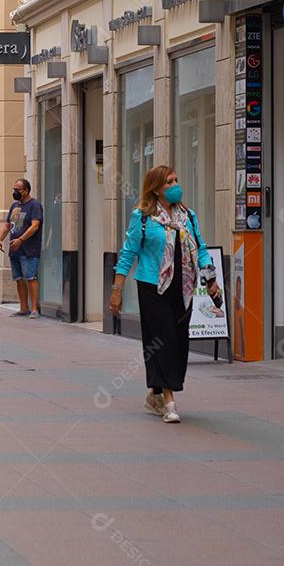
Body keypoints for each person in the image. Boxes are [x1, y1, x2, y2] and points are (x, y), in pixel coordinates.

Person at [109, 165, 220, 424]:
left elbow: (201, 249)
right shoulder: (143, 217)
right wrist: (117, 290)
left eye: (176, 180)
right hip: (152, 286)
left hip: (184, 288)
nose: (175, 185)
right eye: (169, 182)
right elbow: (128, 253)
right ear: (156, 188)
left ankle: (155, 391)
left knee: (179, 341)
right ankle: (169, 401)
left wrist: (211, 279)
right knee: (164, 338)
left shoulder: (188, 216)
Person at [0, 178, 43, 319]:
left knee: (31, 277)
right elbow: (8, 224)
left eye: (17, 190)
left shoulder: (34, 205)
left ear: (26, 190)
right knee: (18, 278)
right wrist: (0, 237)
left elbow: (35, 226)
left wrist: (21, 239)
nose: (15, 192)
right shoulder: (15, 205)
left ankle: (34, 309)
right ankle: (23, 308)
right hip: (15, 248)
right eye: (14, 189)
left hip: (29, 249)